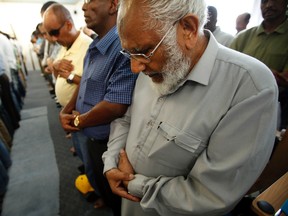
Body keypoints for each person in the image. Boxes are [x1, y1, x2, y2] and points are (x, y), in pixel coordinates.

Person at [102, 0, 279, 215]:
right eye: (129, 53)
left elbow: (212, 195)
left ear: (188, 29)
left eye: (144, 51)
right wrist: (111, 164)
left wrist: (133, 183)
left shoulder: (249, 86)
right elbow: (127, 120)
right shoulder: (151, 66)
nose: (135, 67)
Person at [59, 0, 138, 215]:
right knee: (99, 184)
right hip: (89, 134)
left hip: (107, 143)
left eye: (90, 1)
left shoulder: (123, 45)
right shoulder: (96, 43)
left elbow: (115, 106)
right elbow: (84, 82)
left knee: (117, 200)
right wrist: (67, 110)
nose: (84, 8)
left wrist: (76, 120)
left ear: (113, 5)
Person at [230, 0, 288, 130]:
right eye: (264, 1)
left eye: (275, 0)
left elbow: (285, 79)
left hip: (270, 111)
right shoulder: (243, 36)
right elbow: (227, 69)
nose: (269, 5)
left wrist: (248, 71)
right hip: (235, 104)